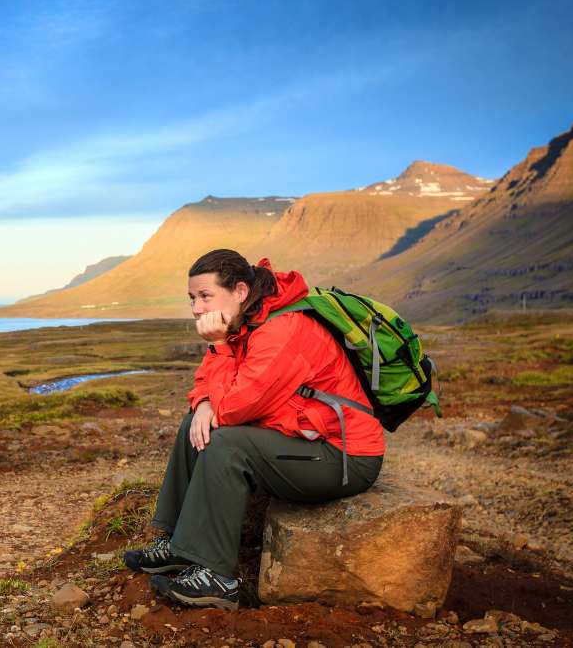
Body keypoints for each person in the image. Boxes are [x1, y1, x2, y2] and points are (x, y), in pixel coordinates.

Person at [122, 249, 385, 610]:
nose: (197, 309)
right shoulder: (248, 320)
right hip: (301, 440)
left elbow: (232, 408)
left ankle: (219, 579)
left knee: (226, 442)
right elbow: (208, 385)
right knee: (195, 422)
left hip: (344, 458)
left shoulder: (281, 331)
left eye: (205, 296)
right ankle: (177, 543)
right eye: (192, 299)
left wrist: (217, 347)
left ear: (241, 291)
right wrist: (202, 403)